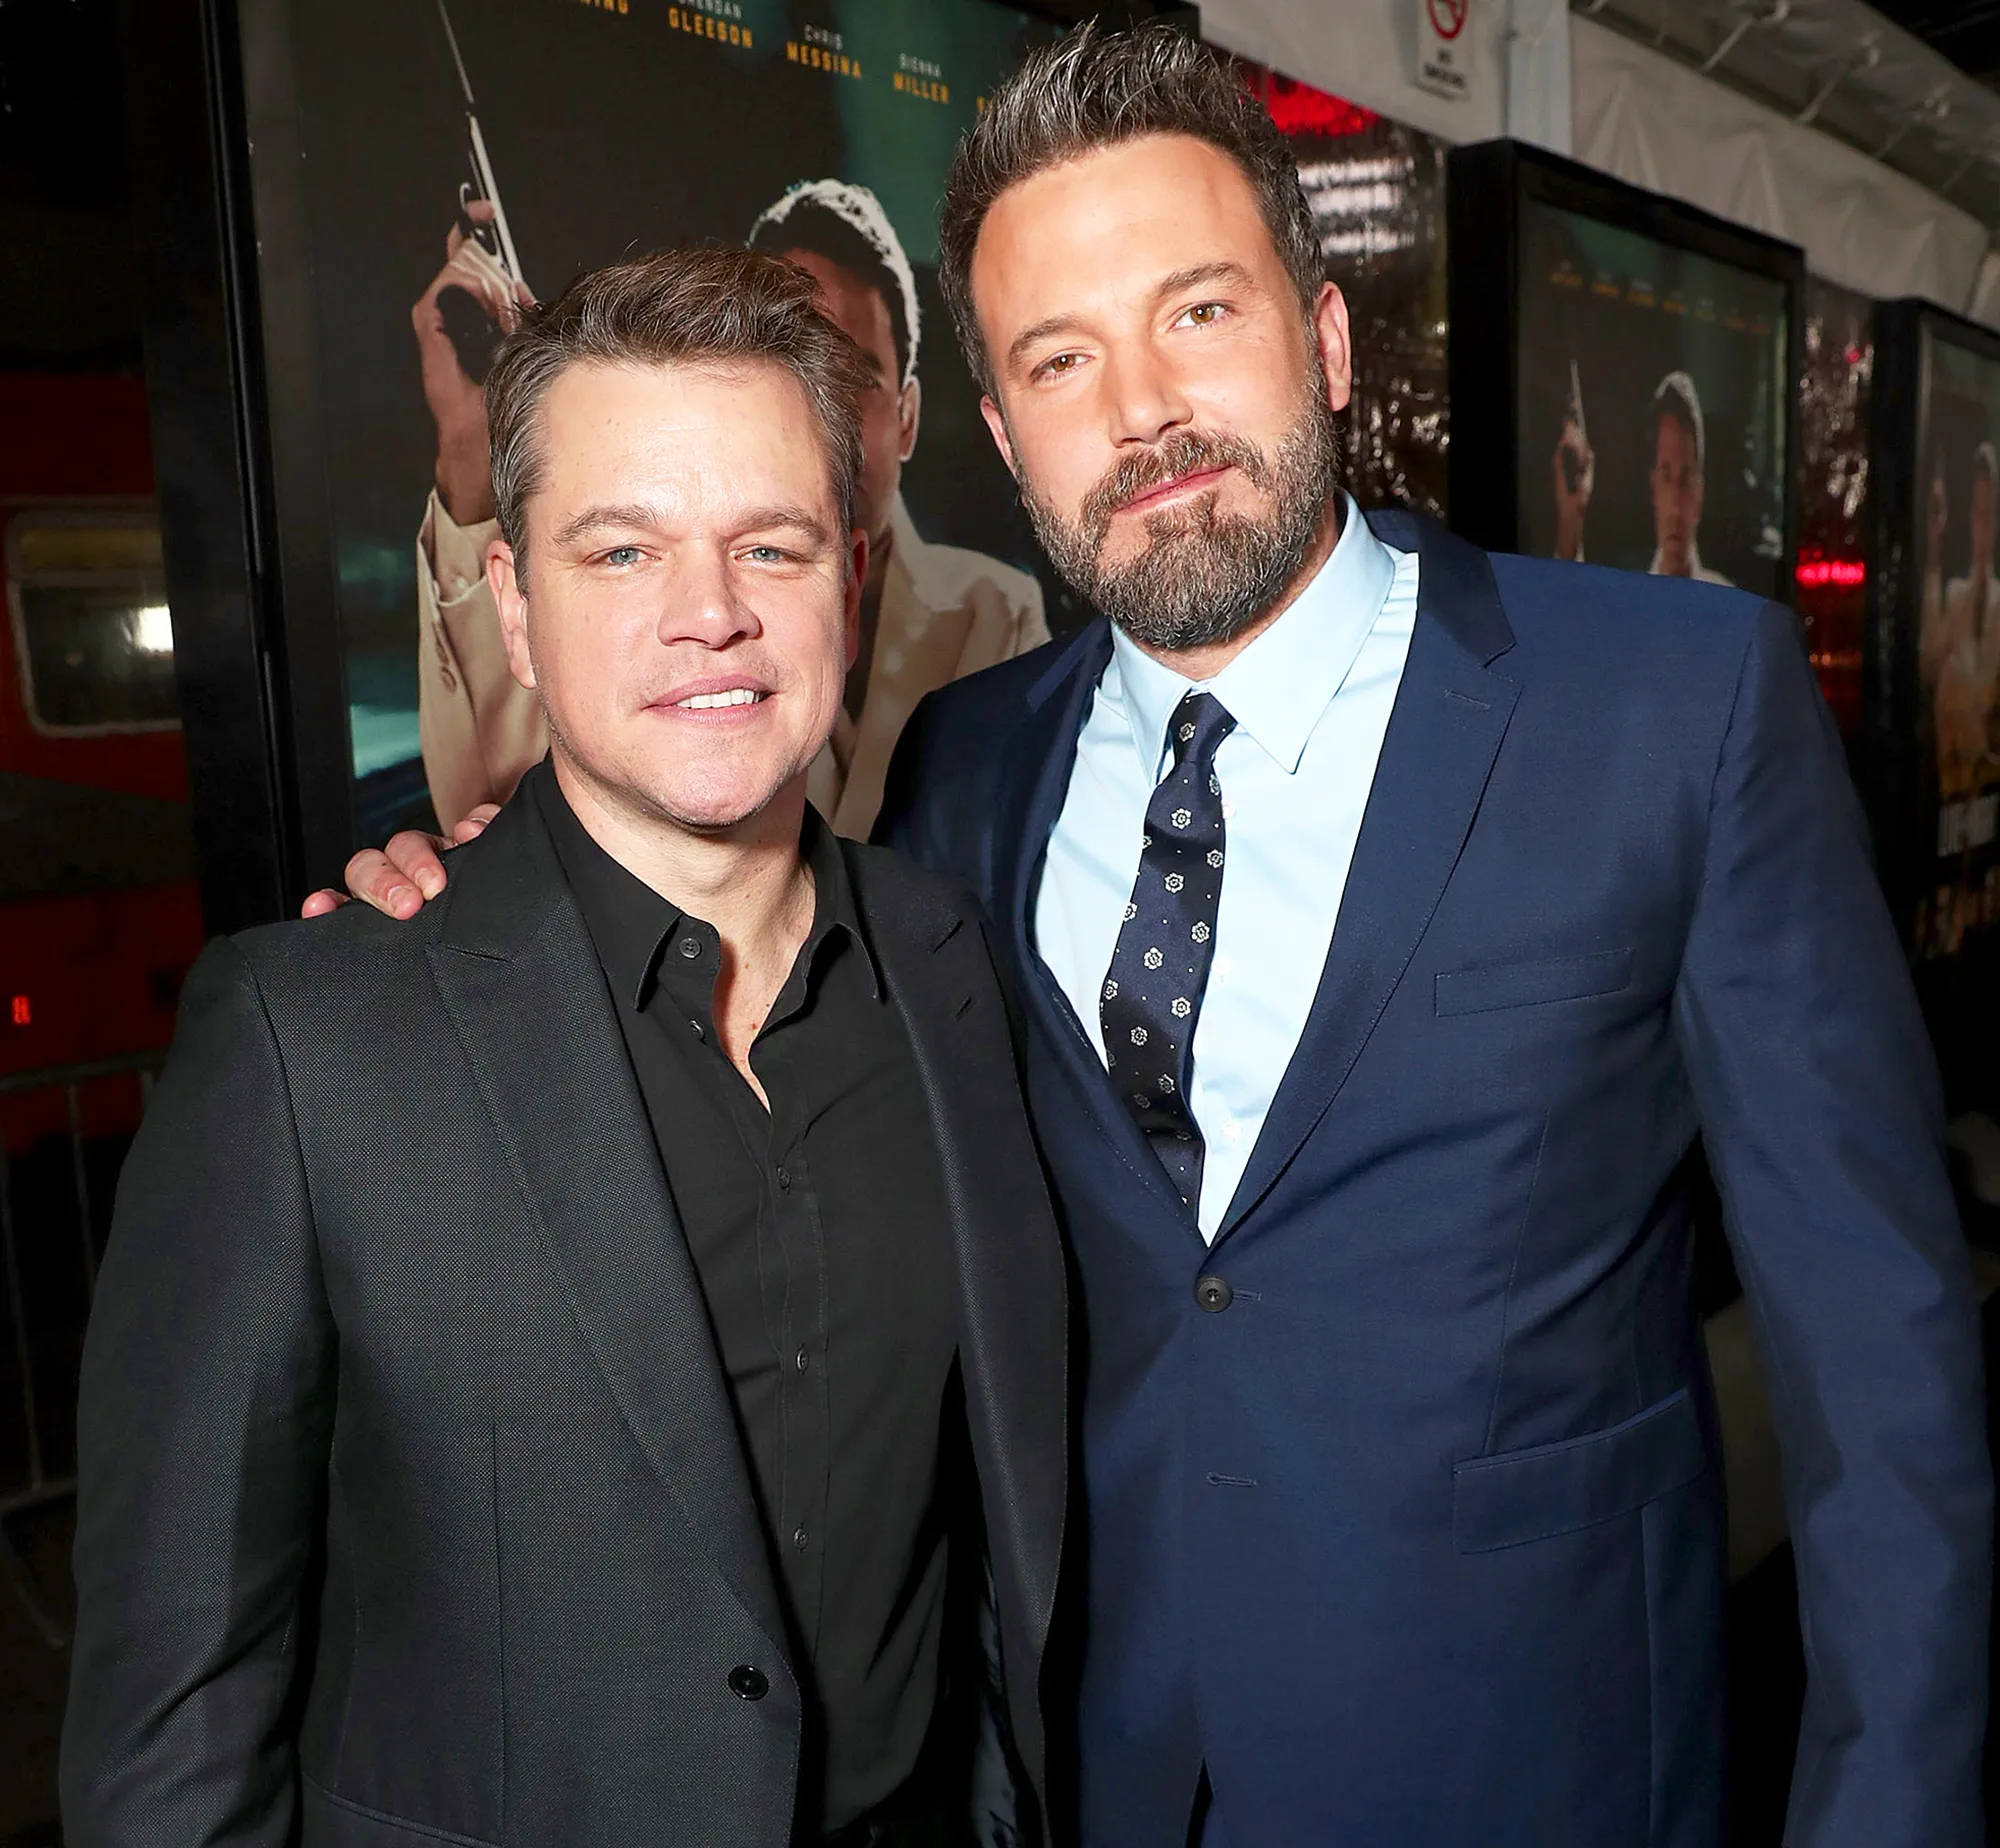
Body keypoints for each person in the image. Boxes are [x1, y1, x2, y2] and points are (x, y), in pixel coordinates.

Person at [331, 27, 1990, 1848]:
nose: (1141, 411)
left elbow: (1887, 1366)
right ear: (996, 437)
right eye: (1060, 358)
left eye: (1198, 312)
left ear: (1328, 337)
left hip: (1540, 1766)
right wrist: (477, 915)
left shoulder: (1674, 709)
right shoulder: (963, 769)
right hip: (1094, 1776)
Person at [64, 249, 1067, 1848]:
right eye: (621, 551)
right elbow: (173, 1731)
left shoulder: (962, 972)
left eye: (771, 544)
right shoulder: (307, 1046)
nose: (712, 615)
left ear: (853, 585)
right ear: (515, 610)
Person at [414, 179, 1047, 838]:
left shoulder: (996, 610)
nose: (712, 616)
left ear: (908, 416)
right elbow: (492, 806)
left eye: (852, 380)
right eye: (625, 553)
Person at [1553, 368, 1734, 583]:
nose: (1675, 506)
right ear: (1653, 486)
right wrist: (1571, 522)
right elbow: (1567, 609)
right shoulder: (1626, 596)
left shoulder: (1726, 602)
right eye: (1666, 477)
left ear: (1700, 494)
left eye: (1684, 481)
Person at [1920, 440, 2000, 804]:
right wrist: (1933, 558)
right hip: (1952, 788)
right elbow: (1927, 665)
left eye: (1990, 514)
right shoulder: (1954, 595)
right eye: (1976, 513)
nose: (1981, 526)